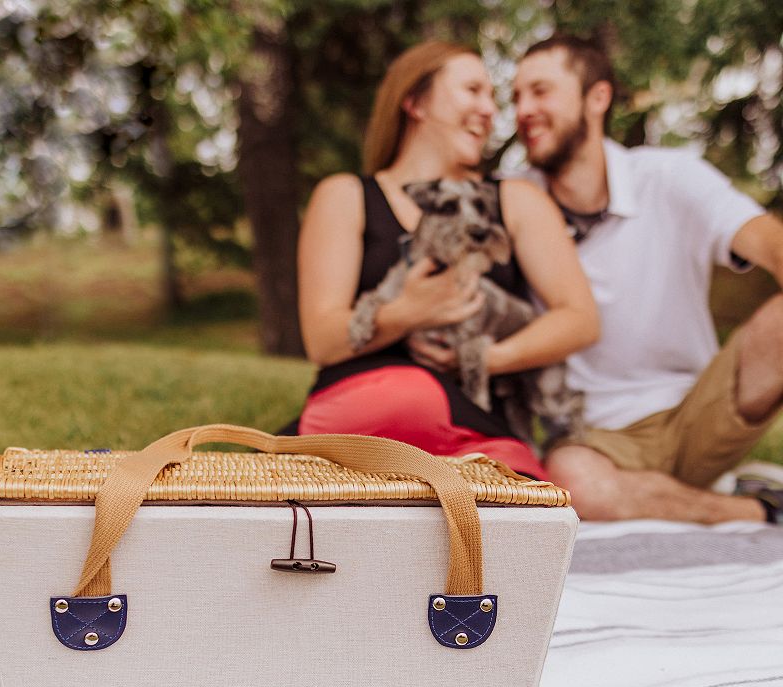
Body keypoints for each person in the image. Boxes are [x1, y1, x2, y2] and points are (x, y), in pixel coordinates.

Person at [296, 40, 599, 480]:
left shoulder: (515, 200)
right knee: (412, 398)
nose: (490, 110)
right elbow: (323, 340)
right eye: (473, 90)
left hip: (477, 424)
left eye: (492, 98)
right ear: (415, 103)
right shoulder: (346, 196)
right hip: (372, 398)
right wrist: (406, 312)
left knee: (530, 508)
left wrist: (487, 358)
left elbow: (580, 319)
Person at [511, 34, 783, 522]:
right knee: (572, 481)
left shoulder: (669, 176)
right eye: (516, 97)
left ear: (597, 98)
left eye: (540, 91)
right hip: (594, 437)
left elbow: (769, 243)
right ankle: (753, 508)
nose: (523, 109)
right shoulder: (512, 203)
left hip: (699, 414)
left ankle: (671, 495)